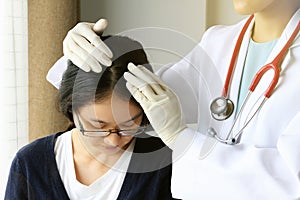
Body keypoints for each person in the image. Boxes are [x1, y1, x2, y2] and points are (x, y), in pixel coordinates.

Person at [48, 1, 300, 199]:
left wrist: (181, 138)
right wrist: (80, 57)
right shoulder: (219, 42)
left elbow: (291, 181)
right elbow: (133, 105)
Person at [5, 35, 175, 200]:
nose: (113, 141)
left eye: (128, 125)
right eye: (97, 126)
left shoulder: (163, 164)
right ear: (72, 110)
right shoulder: (30, 164)